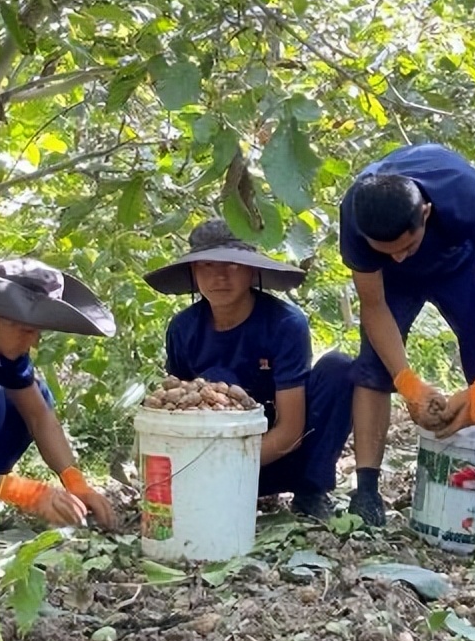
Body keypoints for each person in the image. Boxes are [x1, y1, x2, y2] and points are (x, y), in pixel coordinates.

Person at [339, 143, 475, 525]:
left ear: (426, 213)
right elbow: (374, 307)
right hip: (392, 286)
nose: (398, 255)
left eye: (406, 246)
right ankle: (366, 492)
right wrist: (408, 382)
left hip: (460, 263)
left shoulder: (469, 196)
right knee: (374, 366)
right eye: (386, 250)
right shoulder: (355, 215)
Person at [144, 220, 354, 520]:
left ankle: (311, 492)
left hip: (280, 456)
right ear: (193, 272)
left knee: (340, 368)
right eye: (206, 265)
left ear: (251, 269)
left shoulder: (285, 324)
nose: (219, 276)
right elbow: (177, 415)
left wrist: (233, 462)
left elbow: (291, 430)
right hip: (208, 464)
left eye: (231, 265)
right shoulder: (183, 329)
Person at [0, 258, 117, 528]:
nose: (33, 341)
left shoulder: (1, 347)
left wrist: (75, 481)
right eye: (25, 330)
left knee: (34, 396)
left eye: (38, 332)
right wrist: (20, 491)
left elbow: (39, 417)